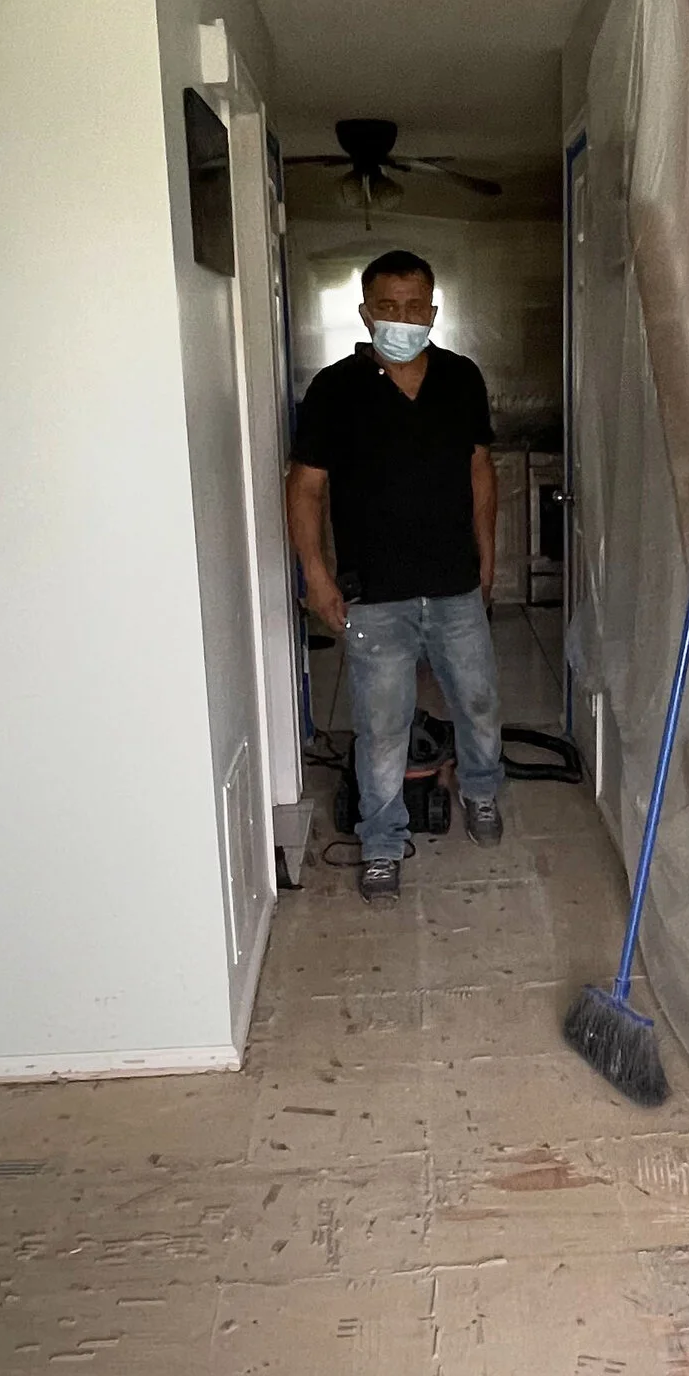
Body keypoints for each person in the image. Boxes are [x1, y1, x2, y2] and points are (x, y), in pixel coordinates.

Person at [285, 251, 507, 902]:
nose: (402, 319)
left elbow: (480, 472)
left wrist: (487, 554)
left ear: (433, 313)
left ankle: (483, 789)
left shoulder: (461, 378)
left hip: (454, 583)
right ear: (365, 311)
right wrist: (316, 576)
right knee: (381, 727)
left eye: (415, 308)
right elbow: (305, 489)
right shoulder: (333, 391)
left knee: (479, 701)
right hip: (374, 593)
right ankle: (382, 841)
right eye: (388, 307)